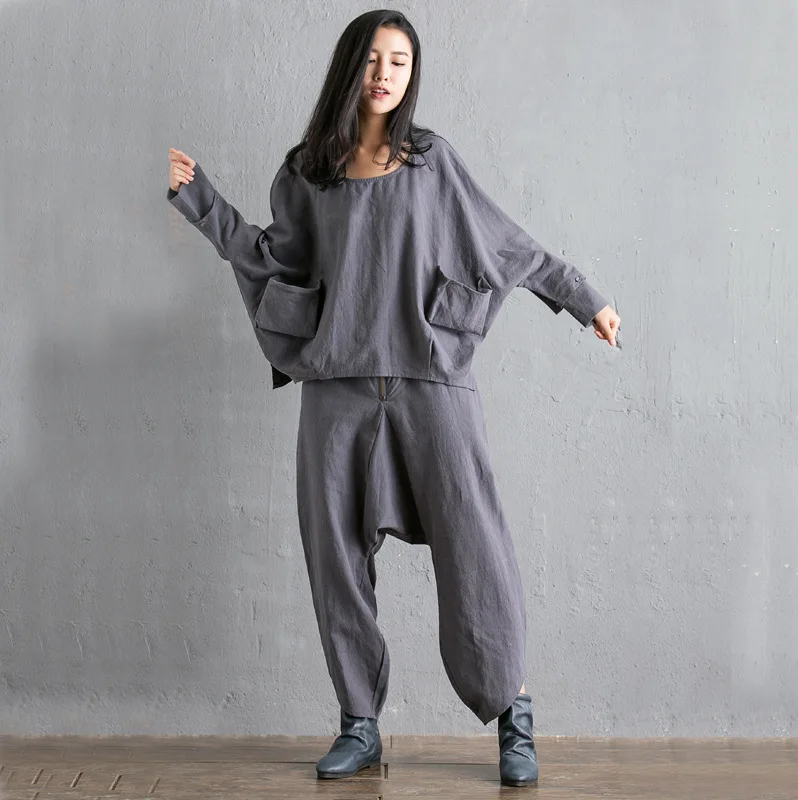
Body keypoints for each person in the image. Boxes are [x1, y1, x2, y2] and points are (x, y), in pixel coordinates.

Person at [166, 9, 620, 788]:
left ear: (412, 75)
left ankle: (512, 717)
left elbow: (505, 241)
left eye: (400, 62)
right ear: (352, 65)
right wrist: (200, 199)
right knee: (335, 558)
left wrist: (584, 299)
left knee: (476, 548)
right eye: (374, 59)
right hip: (337, 388)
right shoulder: (307, 172)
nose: (385, 74)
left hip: (428, 380)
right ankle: (360, 724)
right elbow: (270, 259)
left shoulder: (430, 161)